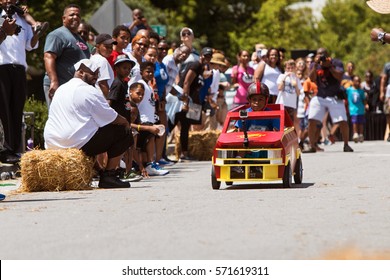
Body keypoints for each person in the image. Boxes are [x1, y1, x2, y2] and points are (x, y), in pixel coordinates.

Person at [44, 59, 133, 189]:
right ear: (80, 72)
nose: (96, 78)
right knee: (123, 131)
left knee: (91, 129)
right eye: (93, 73)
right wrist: (125, 122)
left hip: (52, 143)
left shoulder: (61, 89)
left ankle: (98, 170)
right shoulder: (88, 90)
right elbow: (111, 117)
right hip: (75, 143)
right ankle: (109, 175)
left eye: (97, 74)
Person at [0, 0, 40, 164]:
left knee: (17, 109)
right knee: (4, 110)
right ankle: (5, 150)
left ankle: (15, 149)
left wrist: (37, 30)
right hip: (1, 67)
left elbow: (31, 45)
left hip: (19, 68)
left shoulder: (23, 19)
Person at [305, 47, 354, 153]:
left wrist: (330, 66)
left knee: (343, 120)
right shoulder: (315, 64)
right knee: (312, 120)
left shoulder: (336, 62)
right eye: (318, 54)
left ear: (327, 54)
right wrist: (315, 66)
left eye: (322, 54)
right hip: (320, 97)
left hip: (334, 96)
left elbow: (339, 76)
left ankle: (346, 144)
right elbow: (312, 79)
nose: (320, 56)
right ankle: (312, 145)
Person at [43, 4, 90, 106]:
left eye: (78, 15)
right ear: (63, 18)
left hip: (74, 88)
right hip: (60, 86)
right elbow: (48, 57)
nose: (75, 17)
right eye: (72, 15)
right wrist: (54, 81)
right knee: (58, 119)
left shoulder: (79, 38)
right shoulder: (57, 35)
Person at [106, 54, 142, 182]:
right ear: (116, 69)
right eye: (124, 68)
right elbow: (110, 101)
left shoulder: (124, 84)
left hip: (124, 121)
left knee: (127, 146)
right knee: (120, 148)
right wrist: (110, 118)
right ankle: (117, 171)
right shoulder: (117, 84)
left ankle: (124, 171)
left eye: (128, 68)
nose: (127, 70)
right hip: (118, 122)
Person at [135, 61, 169, 176]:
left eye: (152, 71)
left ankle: (149, 163)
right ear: (141, 72)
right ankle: (150, 164)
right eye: (147, 71)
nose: (150, 74)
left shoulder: (149, 86)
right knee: (149, 140)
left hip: (150, 118)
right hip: (143, 119)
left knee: (149, 141)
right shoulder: (140, 85)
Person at [90, 33, 117, 97]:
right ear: (98, 46)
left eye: (111, 47)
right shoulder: (102, 60)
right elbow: (102, 83)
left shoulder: (92, 58)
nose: (110, 49)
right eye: (106, 47)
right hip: (102, 99)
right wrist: (109, 101)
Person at [346, 75, 366, 143]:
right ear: (353, 82)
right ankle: (355, 134)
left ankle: (361, 134)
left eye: (359, 81)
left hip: (360, 109)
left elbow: (364, 99)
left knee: (361, 122)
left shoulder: (361, 91)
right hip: (353, 109)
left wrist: (365, 105)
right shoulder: (349, 90)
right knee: (354, 122)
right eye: (356, 81)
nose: (357, 83)